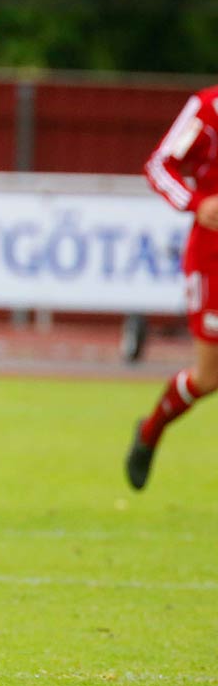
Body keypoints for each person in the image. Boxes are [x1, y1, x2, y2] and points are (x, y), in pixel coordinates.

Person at [128, 86, 218, 489]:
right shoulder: (208, 109)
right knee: (209, 377)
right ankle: (150, 431)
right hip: (213, 258)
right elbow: (159, 165)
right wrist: (196, 203)